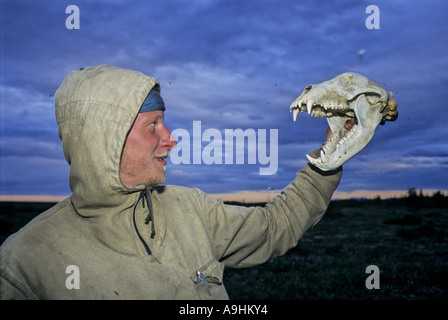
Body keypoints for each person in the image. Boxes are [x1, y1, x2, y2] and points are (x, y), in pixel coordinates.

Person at [0, 65, 342, 299]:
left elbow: (273, 226)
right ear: (104, 139)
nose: (171, 138)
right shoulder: (24, 265)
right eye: (154, 124)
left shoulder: (188, 208)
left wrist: (331, 154)